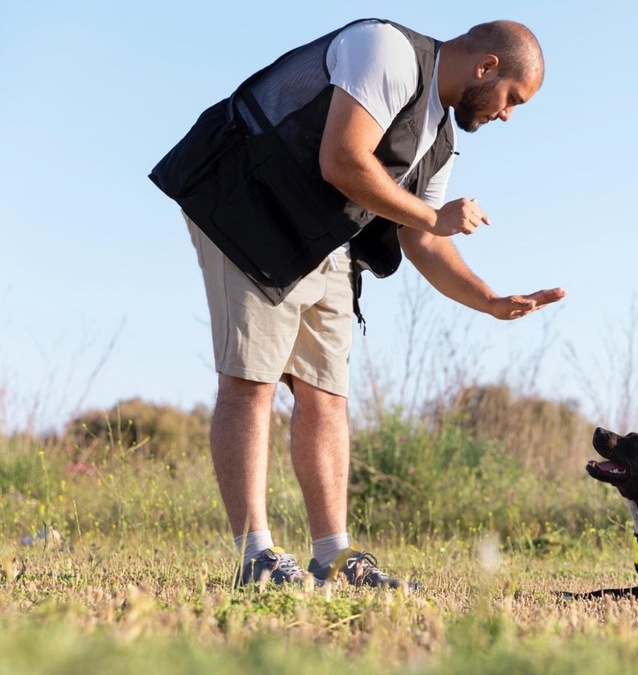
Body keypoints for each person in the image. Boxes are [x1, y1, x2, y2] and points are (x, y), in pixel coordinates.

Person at [149, 18, 564, 587]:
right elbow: (343, 159)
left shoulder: (441, 140)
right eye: (512, 98)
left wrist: (489, 301)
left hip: (323, 237)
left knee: (326, 395)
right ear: (487, 66)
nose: (507, 114)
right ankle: (256, 557)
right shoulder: (387, 51)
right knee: (252, 381)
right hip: (247, 207)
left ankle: (334, 559)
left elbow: (422, 238)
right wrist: (429, 215)